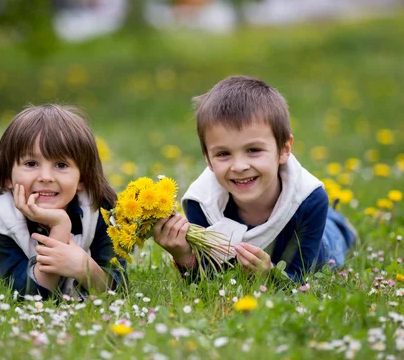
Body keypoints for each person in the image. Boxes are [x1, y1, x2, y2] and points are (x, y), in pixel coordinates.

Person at [153, 76, 357, 281]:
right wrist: (183, 255)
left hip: (319, 241)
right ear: (208, 158)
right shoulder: (203, 203)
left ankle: (338, 222)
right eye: (223, 154)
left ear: (284, 150)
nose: (239, 166)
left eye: (253, 150)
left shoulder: (309, 199)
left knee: (332, 241)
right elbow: (208, 280)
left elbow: (300, 280)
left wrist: (270, 276)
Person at [0, 104, 125, 299]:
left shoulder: (98, 209)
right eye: (31, 164)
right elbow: (30, 296)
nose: (46, 177)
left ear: (82, 178)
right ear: (7, 175)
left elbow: (118, 289)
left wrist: (86, 269)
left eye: (61, 165)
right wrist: (59, 225)